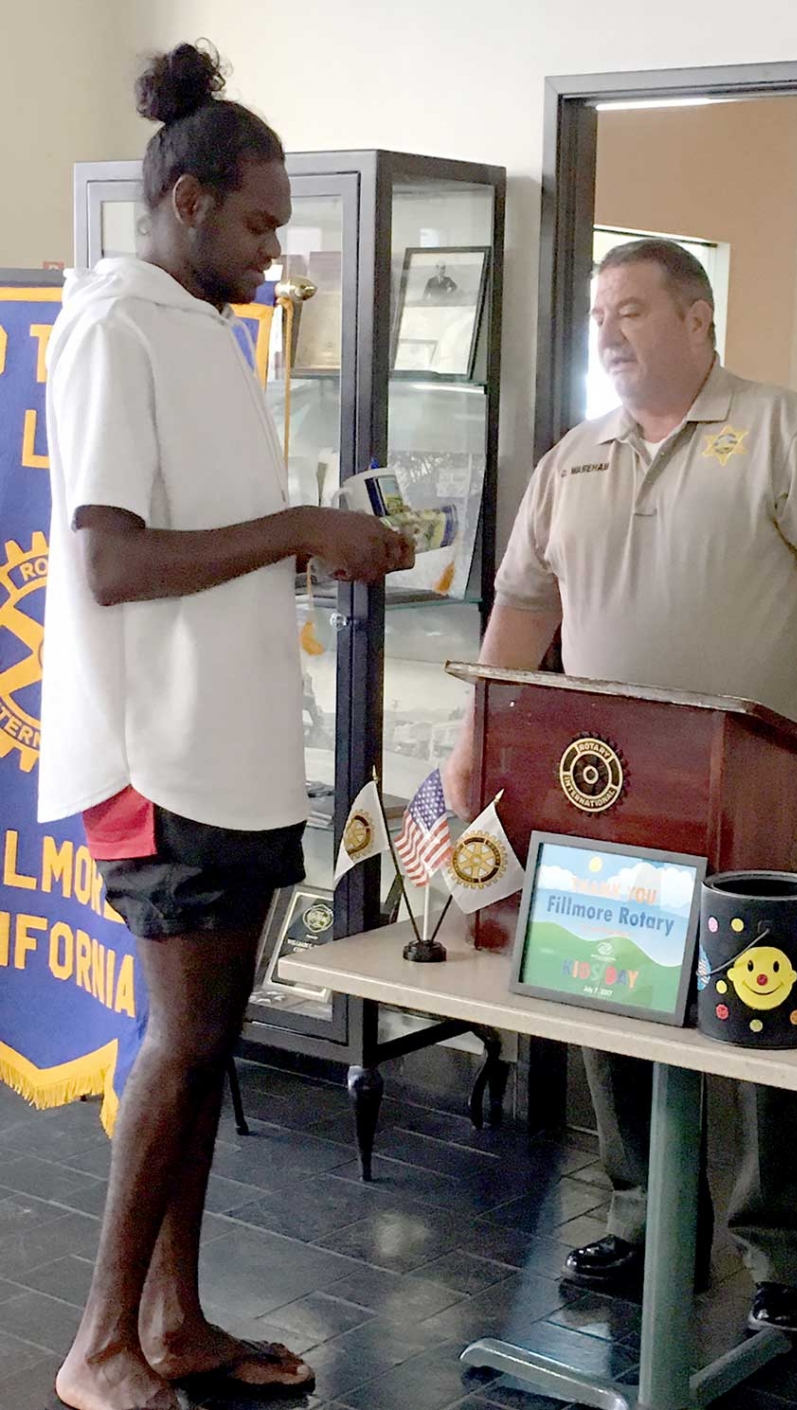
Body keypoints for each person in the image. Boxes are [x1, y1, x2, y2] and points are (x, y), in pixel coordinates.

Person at [38, 43, 413, 1410]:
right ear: (188, 202)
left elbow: (201, 550)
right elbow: (113, 564)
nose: (273, 252)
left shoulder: (201, 330)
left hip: (235, 748)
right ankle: (95, 1347)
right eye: (259, 224)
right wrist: (301, 526)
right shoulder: (115, 326)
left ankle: (173, 1321)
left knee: (208, 1044)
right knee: (183, 1040)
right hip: (162, 754)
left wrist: (304, 549)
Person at [444, 237, 797, 1334]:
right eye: (599, 311)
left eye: (631, 308)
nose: (607, 329)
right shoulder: (573, 457)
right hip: (607, 801)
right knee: (617, 999)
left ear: (698, 319)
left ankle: (785, 1248)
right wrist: (473, 741)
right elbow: (521, 612)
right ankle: (655, 1224)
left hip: (759, 798)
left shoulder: (787, 432)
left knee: (767, 1023)